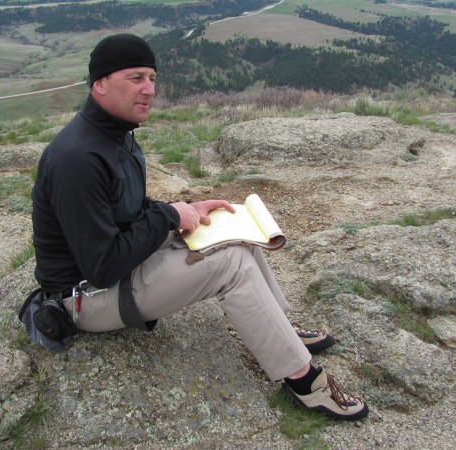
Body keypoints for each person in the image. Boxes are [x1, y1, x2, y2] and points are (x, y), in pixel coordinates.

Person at [31, 33, 368, 421]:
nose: (149, 89)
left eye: (152, 78)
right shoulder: (78, 158)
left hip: (112, 274)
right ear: (100, 83)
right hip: (86, 299)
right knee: (231, 265)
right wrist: (171, 217)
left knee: (232, 230)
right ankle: (303, 380)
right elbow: (102, 265)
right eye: (136, 77)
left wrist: (185, 210)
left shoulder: (113, 136)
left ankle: (280, 328)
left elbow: (127, 211)